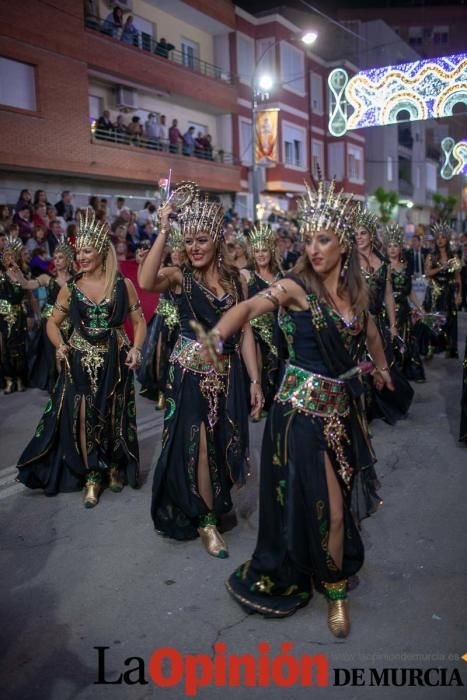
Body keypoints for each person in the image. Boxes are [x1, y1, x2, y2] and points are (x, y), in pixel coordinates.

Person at [194, 179, 393, 637]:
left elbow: (371, 335)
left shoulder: (355, 298)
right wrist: (214, 339)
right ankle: (335, 592)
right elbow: (245, 310)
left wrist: (381, 369)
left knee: (334, 504)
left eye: (324, 238)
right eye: (309, 239)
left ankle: (328, 571)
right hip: (298, 418)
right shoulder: (294, 286)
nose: (314, 247)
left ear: (343, 243)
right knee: (332, 509)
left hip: (341, 417)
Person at [139, 185, 262, 557]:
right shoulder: (180, 277)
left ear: (217, 240)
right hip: (189, 376)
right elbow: (146, 281)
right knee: (200, 446)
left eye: (202, 240)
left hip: (228, 378)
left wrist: (256, 379)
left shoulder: (237, 280)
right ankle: (205, 520)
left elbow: (244, 334)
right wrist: (163, 229)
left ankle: (211, 502)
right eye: (188, 240)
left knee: (225, 443)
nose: (194, 247)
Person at [16, 208, 146, 507]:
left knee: (113, 413)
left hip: (116, 357)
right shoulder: (70, 288)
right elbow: (52, 322)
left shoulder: (121, 285)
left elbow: (138, 323)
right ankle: (91, 475)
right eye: (79, 252)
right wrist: (60, 344)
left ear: (101, 251)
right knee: (84, 415)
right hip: (80, 359)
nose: (82, 257)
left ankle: (114, 466)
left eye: (87, 250)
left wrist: (137, 348)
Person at [355, 208, 413, 424]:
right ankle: (364, 411)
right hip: (356, 322)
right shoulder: (350, 262)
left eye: (362, 233)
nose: (359, 237)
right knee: (361, 365)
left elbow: (388, 296)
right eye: (356, 234)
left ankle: (381, 406)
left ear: (371, 235)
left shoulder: (384, 264)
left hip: (377, 321)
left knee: (382, 363)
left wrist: (393, 324)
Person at [137, 231, 184, 407]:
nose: (177, 254)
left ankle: (175, 391)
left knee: (176, 357)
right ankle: (161, 392)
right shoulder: (165, 269)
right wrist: (142, 263)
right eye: (175, 251)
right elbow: (144, 282)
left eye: (180, 251)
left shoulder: (192, 274)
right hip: (163, 319)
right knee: (158, 356)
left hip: (183, 323)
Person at [240, 224, 282, 415]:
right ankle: (256, 402)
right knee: (256, 357)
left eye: (264, 250)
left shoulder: (280, 276)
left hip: (275, 327)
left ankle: (269, 399)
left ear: (271, 251)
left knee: (273, 365)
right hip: (253, 327)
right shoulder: (246, 274)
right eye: (256, 251)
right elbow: (242, 304)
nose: (261, 255)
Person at [0, 237, 48, 393]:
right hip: (2, 316)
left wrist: (36, 315)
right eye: (6, 256)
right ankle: (9, 379)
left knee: (20, 348)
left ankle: (20, 378)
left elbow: (30, 297)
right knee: (4, 349)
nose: (9, 259)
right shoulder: (0, 276)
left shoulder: (23, 274)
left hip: (19, 314)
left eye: (12, 256)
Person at [28, 242, 74, 392]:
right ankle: (57, 389)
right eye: (55, 257)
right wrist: (18, 277)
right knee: (54, 357)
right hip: (51, 323)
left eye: (60, 257)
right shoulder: (46, 278)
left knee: (69, 356)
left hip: (70, 324)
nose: (57, 260)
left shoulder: (76, 280)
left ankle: (68, 386)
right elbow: (28, 285)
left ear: (68, 260)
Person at [384, 224, 425, 382]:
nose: (393, 249)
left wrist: (419, 306)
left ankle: (410, 372)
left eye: (395, 246)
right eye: (389, 246)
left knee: (408, 340)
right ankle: (392, 372)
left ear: (400, 248)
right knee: (390, 341)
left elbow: (410, 291)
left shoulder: (406, 267)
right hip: (388, 311)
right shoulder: (383, 267)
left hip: (404, 310)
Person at [424, 222, 462, 359]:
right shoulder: (431, 256)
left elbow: (458, 278)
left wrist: (459, 295)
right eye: (438, 237)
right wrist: (441, 267)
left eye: (443, 237)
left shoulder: (454, 257)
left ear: (447, 239)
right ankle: (431, 348)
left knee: (450, 320)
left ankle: (449, 348)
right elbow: (427, 273)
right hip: (435, 292)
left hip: (449, 292)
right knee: (433, 320)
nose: (440, 240)